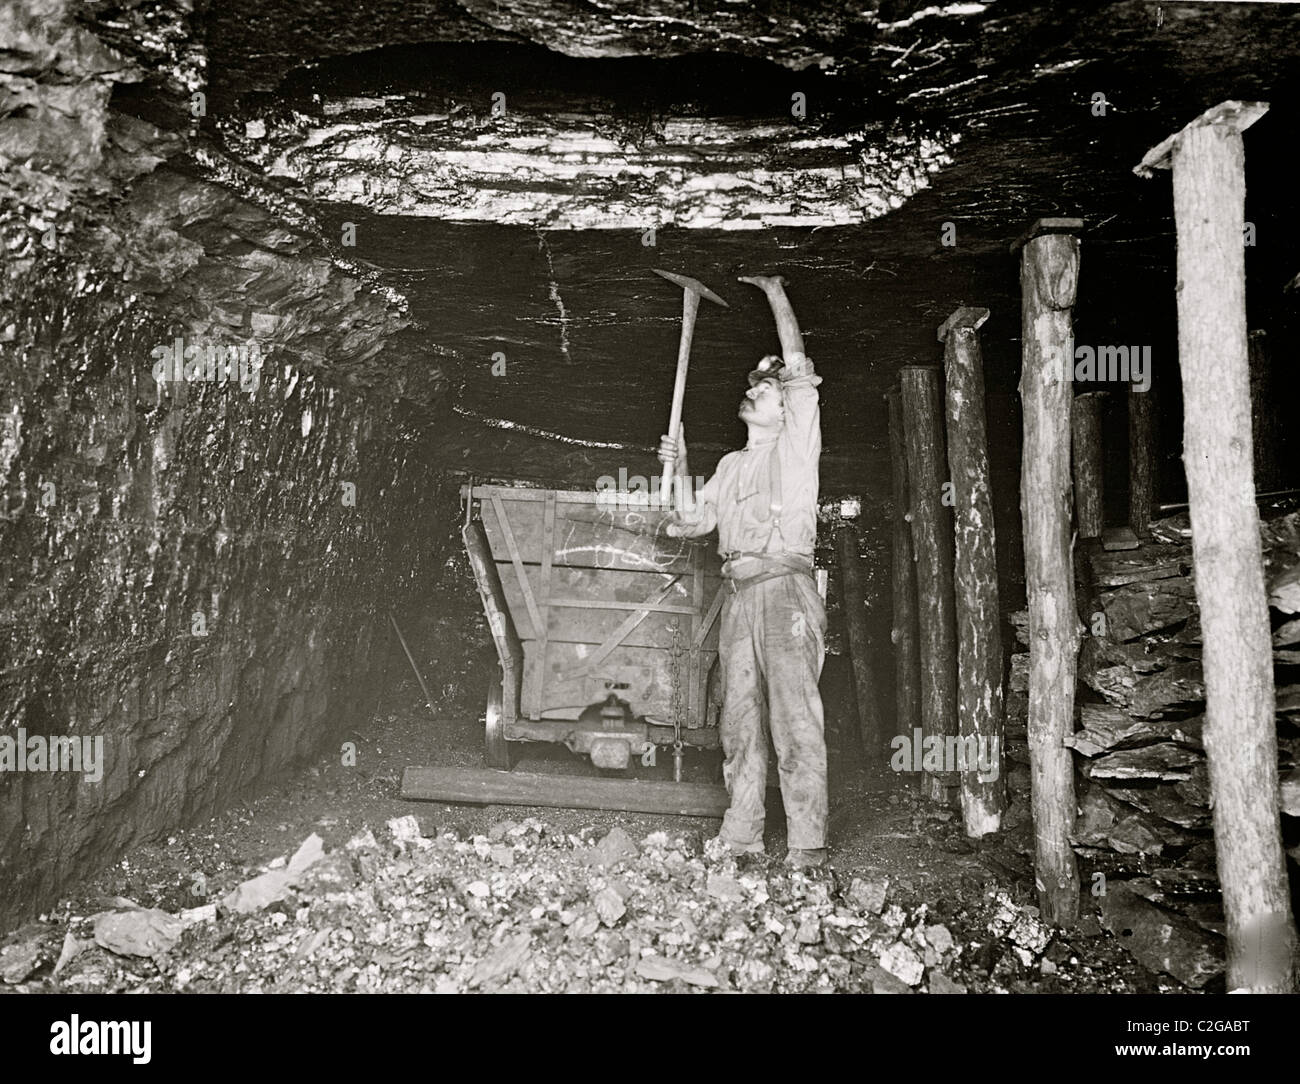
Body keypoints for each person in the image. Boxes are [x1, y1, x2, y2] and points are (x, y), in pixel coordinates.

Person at [657, 274, 828, 869]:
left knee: (794, 717)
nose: (754, 391)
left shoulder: (796, 449)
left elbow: (800, 371)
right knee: (739, 720)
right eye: (753, 386)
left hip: (785, 593)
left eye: (766, 389)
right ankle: (742, 834)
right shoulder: (730, 466)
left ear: (786, 410)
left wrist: (777, 292)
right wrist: (676, 468)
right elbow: (687, 524)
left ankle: (807, 844)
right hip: (739, 595)